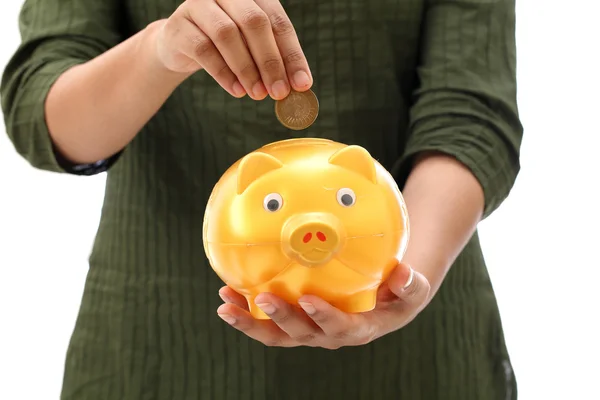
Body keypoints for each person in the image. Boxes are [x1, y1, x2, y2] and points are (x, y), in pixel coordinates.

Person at [1, 0, 523, 398]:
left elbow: (469, 117)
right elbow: (44, 118)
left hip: (415, 332)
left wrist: (403, 278)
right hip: (157, 334)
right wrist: (159, 50)